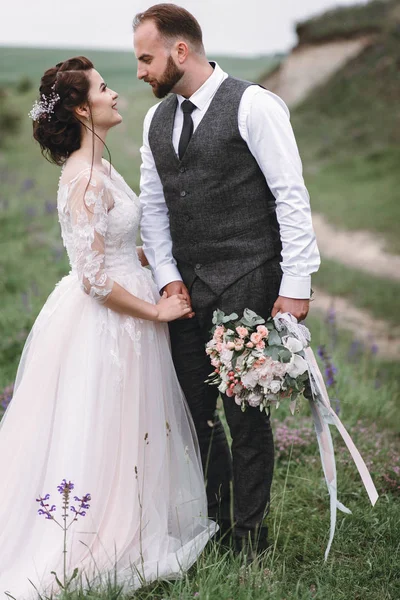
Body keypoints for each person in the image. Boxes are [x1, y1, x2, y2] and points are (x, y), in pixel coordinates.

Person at [0, 56, 216, 599]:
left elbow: (108, 245)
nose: (115, 94)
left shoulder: (100, 166)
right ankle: (105, 537)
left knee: (130, 425)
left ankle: (135, 518)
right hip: (111, 321)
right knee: (106, 426)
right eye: (102, 88)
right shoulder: (83, 178)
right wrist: (157, 311)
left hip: (125, 305)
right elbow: (94, 279)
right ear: (81, 108)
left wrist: (143, 257)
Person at [134, 4, 321, 555]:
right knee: (193, 416)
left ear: (180, 51)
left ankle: (251, 539)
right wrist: (168, 279)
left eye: (147, 58)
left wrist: (297, 285)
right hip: (186, 294)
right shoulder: (154, 121)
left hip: (248, 280)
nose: (141, 71)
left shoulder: (254, 105)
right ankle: (212, 526)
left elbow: (292, 196)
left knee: (246, 417)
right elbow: (153, 208)